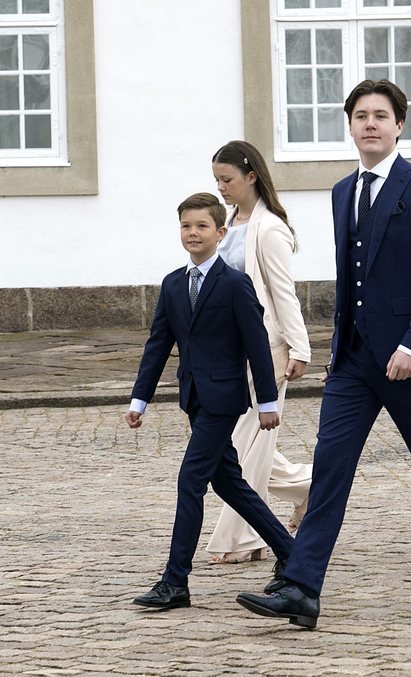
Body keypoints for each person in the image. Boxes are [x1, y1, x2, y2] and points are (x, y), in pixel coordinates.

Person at [235, 80, 411, 629]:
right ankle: (303, 587)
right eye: (360, 116)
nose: (370, 124)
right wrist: (335, 352)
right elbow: (350, 277)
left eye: (381, 116)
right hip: (352, 360)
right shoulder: (340, 191)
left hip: (410, 360)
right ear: (349, 126)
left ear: (400, 125)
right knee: (330, 469)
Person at [127, 193, 293, 610]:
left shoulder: (236, 283)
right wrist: (140, 398)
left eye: (202, 226)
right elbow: (158, 345)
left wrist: (268, 403)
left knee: (191, 480)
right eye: (186, 226)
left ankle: (175, 582)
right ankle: (292, 553)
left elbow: (257, 345)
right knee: (229, 483)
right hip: (194, 398)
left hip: (225, 399)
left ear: (220, 233)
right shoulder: (172, 284)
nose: (193, 233)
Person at [205, 140, 313, 565]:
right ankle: (310, 485)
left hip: (266, 349)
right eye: (216, 180)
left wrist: (299, 348)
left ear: (251, 176)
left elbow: (284, 294)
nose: (221, 188)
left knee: (245, 444)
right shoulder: (228, 223)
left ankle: (242, 537)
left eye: (227, 179)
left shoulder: (269, 230)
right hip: (228, 350)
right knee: (234, 442)